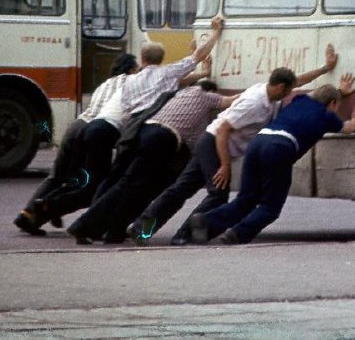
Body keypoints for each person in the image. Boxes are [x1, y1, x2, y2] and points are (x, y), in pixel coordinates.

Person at [126, 44, 341, 246]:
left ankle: (142, 228)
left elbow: (299, 81)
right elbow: (222, 130)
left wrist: (324, 69)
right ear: (281, 87)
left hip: (211, 144)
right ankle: (185, 236)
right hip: (213, 144)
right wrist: (225, 166)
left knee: (180, 190)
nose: (291, 95)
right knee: (217, 194)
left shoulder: (270, 93)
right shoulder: (255, 102)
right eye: (289, 90)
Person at [29, 17, 224, 228]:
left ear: (142, 59)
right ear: (161, 59)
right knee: (123, 184)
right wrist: (214, 34)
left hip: (121, 132)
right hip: (138, 131)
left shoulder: (131, 80)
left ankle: (81, 219)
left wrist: (203, 71)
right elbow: (196, 58)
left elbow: (182, 75)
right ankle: (70, 215)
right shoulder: (165, 75)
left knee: (109, 180)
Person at [187, 79, 355, 245]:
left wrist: (337, 91)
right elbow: (348, 127)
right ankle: (236, 235)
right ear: (332, 103)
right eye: (337, 104)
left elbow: (317, 95)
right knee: (271, 207)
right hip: (280, 147)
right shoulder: (327, 117)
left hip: (257, 143)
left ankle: (205, 221)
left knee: (246, 199)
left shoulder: (299, 100)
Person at [65, 78, 239, 244]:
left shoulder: (181, 97)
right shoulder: (201, 94)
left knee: (133, 188)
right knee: (130, 188)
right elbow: (230, 100)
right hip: (161, 140)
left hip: (143, 133)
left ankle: (114, 231)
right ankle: (83, 226)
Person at [13, 52, 138, 236]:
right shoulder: (129, 83)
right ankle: (52, 209)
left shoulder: (104, 84)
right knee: (87, 184)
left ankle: (28, 214)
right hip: (92, 130)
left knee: (57, 176)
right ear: (132, 69)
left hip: (76, 126)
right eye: (137, 68)